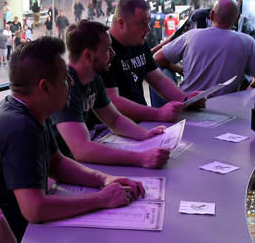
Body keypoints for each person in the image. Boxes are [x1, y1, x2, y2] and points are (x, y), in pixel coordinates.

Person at [0, 37, 146, 241]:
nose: (71, 83)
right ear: (44, 87)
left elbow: (57, 163)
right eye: (65, 79)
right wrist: (102, 199)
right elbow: (35, 210)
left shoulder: (28, 113)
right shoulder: (20, 127)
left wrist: (105, 179)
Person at [51, 20, 170, 169]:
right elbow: (82, 150)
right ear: (88, 55)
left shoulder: (94, 79)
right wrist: (140, 158)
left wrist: (145, 135)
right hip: (58, 170)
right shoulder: (67, 87)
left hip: (75, 163)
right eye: (107, 49)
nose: (113, 54)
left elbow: (114, 120)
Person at [103, 0, 199, 123]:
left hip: (140, 122)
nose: (148, 29)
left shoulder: (139, 43)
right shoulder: (104, 50)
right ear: (121, 22)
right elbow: (113, 100)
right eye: (142, 23)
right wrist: (158, 114)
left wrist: (186, 100)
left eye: (148, 22)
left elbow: (158, 80)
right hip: (113, 128)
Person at [153, 0, 255, 96]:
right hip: (224, 111)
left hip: (188, 106)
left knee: (160, 70)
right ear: (236, 19)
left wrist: (180, 69)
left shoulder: (191, 36)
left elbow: (156, 59)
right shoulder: (248, 43)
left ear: (212, 15)